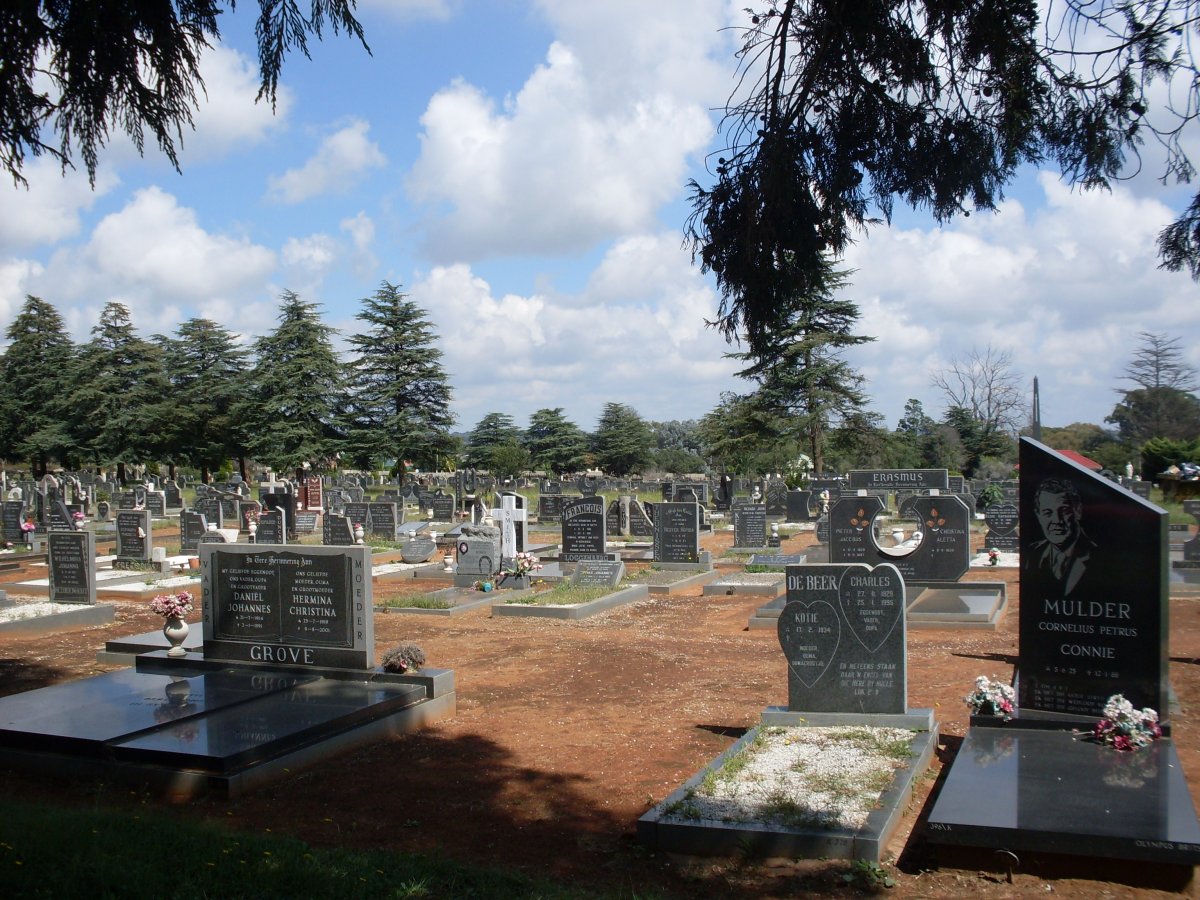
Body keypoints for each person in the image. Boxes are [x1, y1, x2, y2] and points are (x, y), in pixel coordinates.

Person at [1028, 477, 1096, 596]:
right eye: (1048, 513)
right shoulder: (1033, 554)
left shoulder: (1097, 556)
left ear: (1077, 511)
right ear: (1038, 515)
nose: (1057, 520)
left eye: (1064, 511)